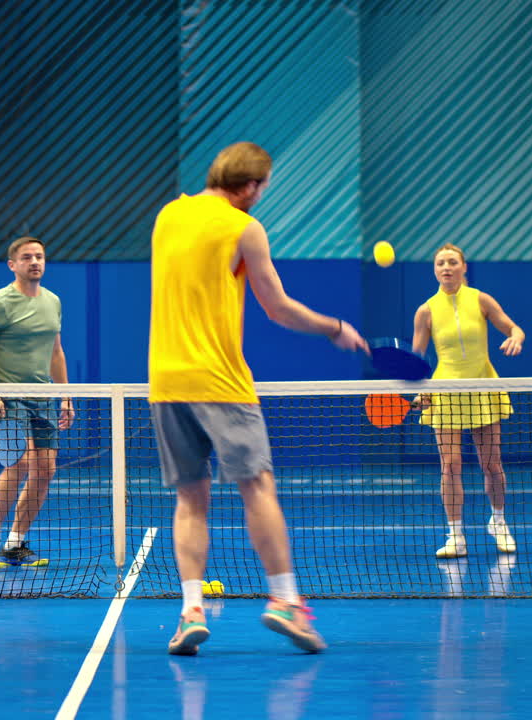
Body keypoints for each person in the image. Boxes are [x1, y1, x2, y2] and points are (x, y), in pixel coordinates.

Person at [149, 142, 368, 655]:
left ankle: (190, 611)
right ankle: (285, 601)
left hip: (166, 379)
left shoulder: (168, 216)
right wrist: (335, 328)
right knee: (258, 488)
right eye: (263, 188)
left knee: (190, 499)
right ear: (249, 187)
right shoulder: (244, 228)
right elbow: (279, 308)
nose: (261, 197)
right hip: (219, 380)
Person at [411, 243, 525, 559]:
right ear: (435, 271)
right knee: (450, 466)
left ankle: (499, 522)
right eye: (440, 264)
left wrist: (515, 336)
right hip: (444, 393)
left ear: (463, 267)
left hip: (483, 389)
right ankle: (455, 536)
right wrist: (419, 390)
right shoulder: (426, 311)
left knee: (491, 465)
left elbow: (513, 327)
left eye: (451, 262)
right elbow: (416, 359)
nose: (445, 268)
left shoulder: (481, 300)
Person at [0, 237, 74, 567]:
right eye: (26, 257)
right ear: (13, 265)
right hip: (9, 395)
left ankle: (16, 542)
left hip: (44, 398)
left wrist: (66, 396)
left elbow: (56, 353)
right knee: (20, 463)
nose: (34, 262)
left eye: (39, 256)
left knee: (46, 469)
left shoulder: (53, 301)